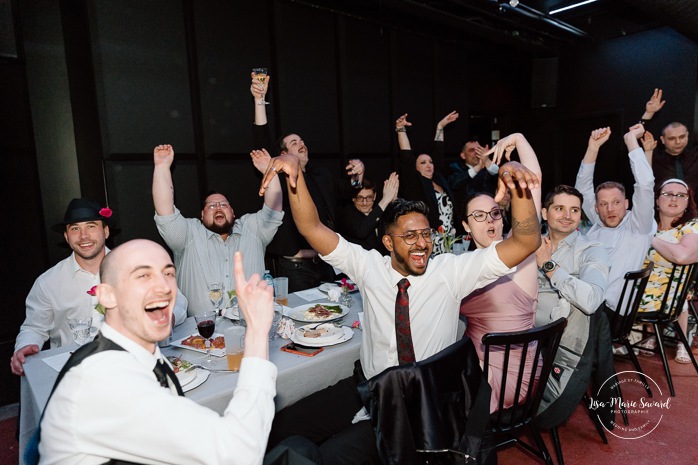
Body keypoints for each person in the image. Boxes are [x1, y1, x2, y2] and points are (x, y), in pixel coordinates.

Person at [258, 142, 542, 464]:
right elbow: (312, 227)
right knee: (279, 427)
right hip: (366, 385)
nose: (422, 244)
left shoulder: (451, 271)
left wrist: (517, 186)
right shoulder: (368, 267)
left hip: (415, 406)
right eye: (409, 236)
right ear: (388, 242)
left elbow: (526, 240)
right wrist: (295, 178)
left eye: (425, 234)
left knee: (329, 457)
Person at [38, 240, 279, 464]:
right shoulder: (103, 380)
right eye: (143, 275)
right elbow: (238, 455)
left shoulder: (134, 354)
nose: (164, 286)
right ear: (106, 296)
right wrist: (257, 329)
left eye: (168, 273)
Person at [11, 198, 187, 377]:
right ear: (66, 236)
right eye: (75, 229)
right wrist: (24, 347)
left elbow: (178, 299)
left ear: (106, 231)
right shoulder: (48, 282)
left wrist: (169, 316)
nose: (83, 236)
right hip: (74, 374)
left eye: (91, 226)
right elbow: (34, 328)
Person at [250, 72, 363, 291]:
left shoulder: (322, 175)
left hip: (326, 263)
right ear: (282, 154)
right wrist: (259, 100)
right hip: (295, 268)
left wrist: (358, 176)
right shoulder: (281, 176)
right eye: (294, 143)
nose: (301, 144)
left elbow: (350, 190)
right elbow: (262, 138)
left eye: (302, 141)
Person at [459, 133, 542, 412]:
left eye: (495, 213)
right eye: (479, 216)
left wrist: (519, 139)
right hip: (477, 367)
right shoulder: (464, 264)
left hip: (503, 378)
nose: (490, 221)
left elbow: (534, 184)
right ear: (466, 226)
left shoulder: (520, 256)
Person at [152, 144, 283, 315]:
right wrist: (162, 167)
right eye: (211, 206)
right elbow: (165, 211)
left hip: (250, 326)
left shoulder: (253, 229)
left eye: (223, 205)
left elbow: (273, 209)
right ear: (202, 214)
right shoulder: (188, 234)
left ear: (233, 212)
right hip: (197, 335)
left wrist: (269, 171)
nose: (218, 208)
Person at [534, 185, 612, 429]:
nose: (567, 215)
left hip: (556, 336)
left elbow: (591, 300)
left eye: (574, 210)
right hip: (517, 328)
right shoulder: (528, 242)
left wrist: (548, 265)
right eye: (559, 208)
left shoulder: (591, 249)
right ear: (545, 213)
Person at [574, 124, 656, 320]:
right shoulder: (598, 221)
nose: (610, 209)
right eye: (603, 204)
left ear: (626, 204)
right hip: (587, 302)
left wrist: (631, 141)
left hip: (609, 310)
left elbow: (645, 184)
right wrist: (593, 148)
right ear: (596, 207)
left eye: (616, 202)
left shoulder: (638, 225)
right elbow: (581, 190)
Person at [636, 179, 698, 363]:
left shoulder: (691, 226)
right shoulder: (647, 225)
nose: (674, 199)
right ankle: (647, 335)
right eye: (667, 194)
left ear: (688, 201)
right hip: (641, 288)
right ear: (656, 200)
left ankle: (682, 341)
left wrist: (650, 239)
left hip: (675, 291)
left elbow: (681, 256)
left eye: (681, 195)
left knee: (678, 289)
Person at [395, 112, 458, 255]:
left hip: (448, 240)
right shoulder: (415, 184)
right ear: (415, 168)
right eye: (423, 163)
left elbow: (438, 151)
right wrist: (400, 129)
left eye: (430, 162)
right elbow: (406, 155)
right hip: (429, 241)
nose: (429, 165)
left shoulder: (438, 179)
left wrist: (440, 127)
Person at [640, 88, 698, 194]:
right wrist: (648, 114)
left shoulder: (695, 157)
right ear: (663, 139)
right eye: (672, 138)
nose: (678, 142)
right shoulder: (653, 158)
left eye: (681, 137)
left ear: (687, 136)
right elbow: (635, 138)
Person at [337, 174, 399, 253]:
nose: (365, 203)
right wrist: (385, 200)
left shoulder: (382, 212)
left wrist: (394, 202)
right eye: (360, 198)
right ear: (353, 198)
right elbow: (361, 232)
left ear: (375, 196)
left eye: (369, 197)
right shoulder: (346, 214)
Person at [448, 136, 499, 210]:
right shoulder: (455, 168)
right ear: (463, 155)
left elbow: (501, 175)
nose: (476, 153)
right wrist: (478, 167)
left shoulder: (489, 168)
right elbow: (454, 183)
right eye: (472, 150)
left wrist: (487, 161)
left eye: (478, 149)